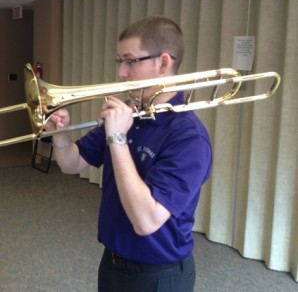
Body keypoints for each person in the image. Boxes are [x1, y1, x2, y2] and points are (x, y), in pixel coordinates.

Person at [45, 16, 212, 292]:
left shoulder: (189, 138)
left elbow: (146, 221)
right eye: (119, 61)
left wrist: (117, 139)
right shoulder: (126, 112)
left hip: (158, 276)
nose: (121, 72)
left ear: (163, 63)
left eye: (130, 61)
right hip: (112, 263)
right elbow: (70, 164)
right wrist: (59, 135)